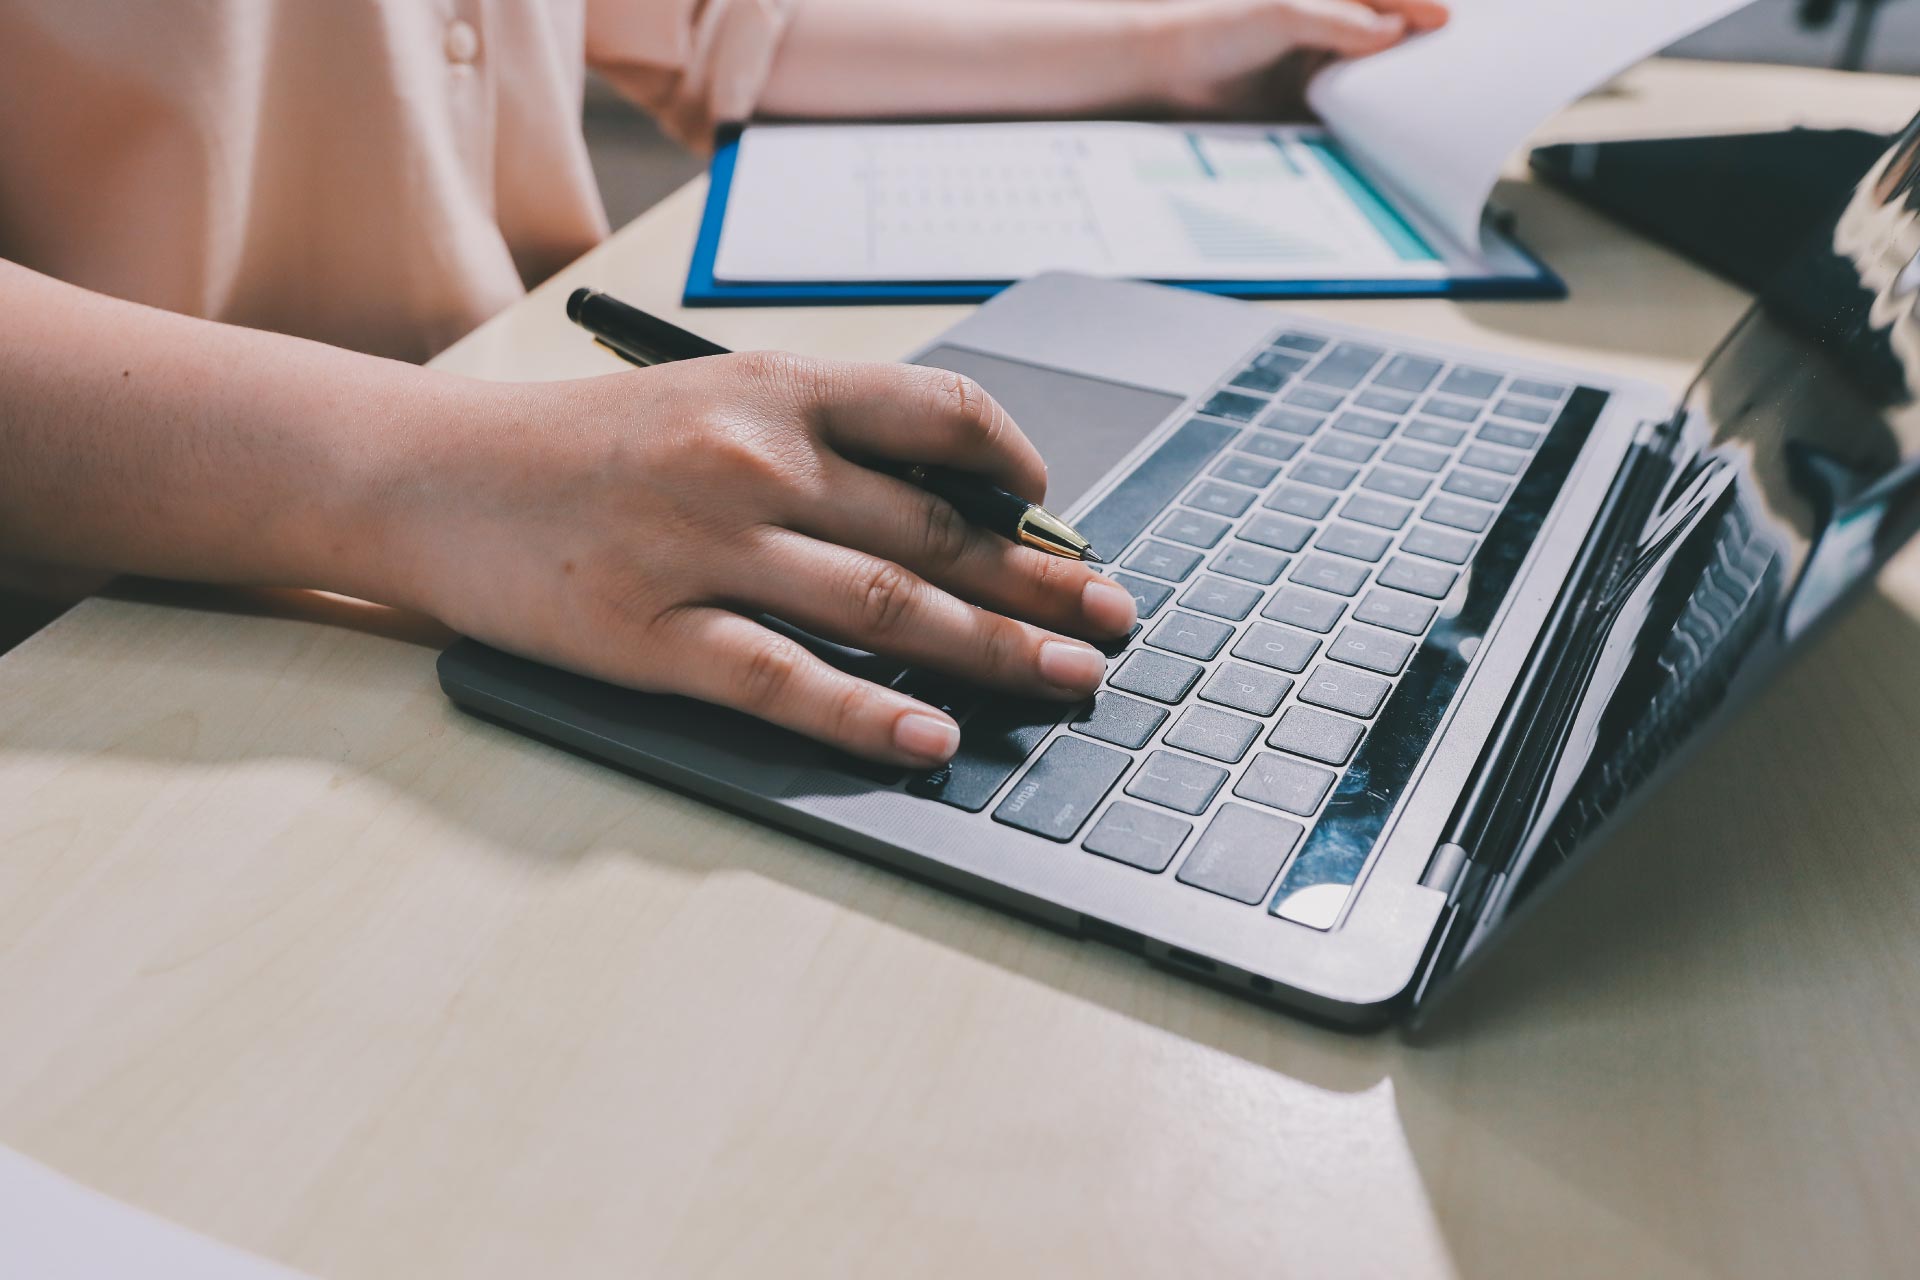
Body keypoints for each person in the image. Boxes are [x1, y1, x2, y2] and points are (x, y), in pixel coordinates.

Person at [0, 0, 1448, 766]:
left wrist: (1169, 45)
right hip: (130, 623)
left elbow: (701, 20)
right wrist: (437, 467)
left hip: (528, 487)